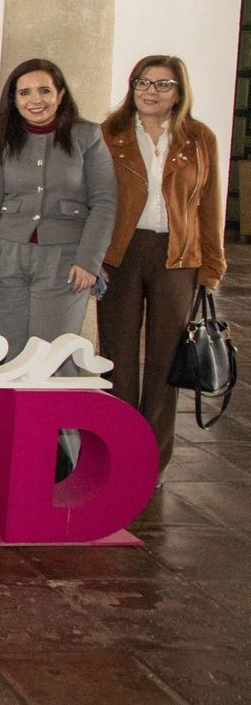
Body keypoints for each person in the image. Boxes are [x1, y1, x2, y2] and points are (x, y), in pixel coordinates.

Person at [97, 55, 226, 477]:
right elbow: (94, 201)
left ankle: (150, 461)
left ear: (179, 92)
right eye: (142, 83)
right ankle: (117, 449)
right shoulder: (109, 134)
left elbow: (210, 206)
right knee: (117, 352)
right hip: (121, 254)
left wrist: (212, 267)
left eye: (162, 84)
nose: (151, 92)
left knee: (166, 357)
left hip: (178, 258)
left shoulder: (199, 138)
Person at [0, 59, 116, 365]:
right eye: (24, 93)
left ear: (60, 94)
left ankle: (51, 416)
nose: (35, 100)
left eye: (44, 90)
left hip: (65, 262)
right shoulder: (2, 138)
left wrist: (89, 261)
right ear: (14, 99)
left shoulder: (87, 136)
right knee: (6, 357)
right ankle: (7, 415)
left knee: (54, 358)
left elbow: (104, 201)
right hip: (5, 259)